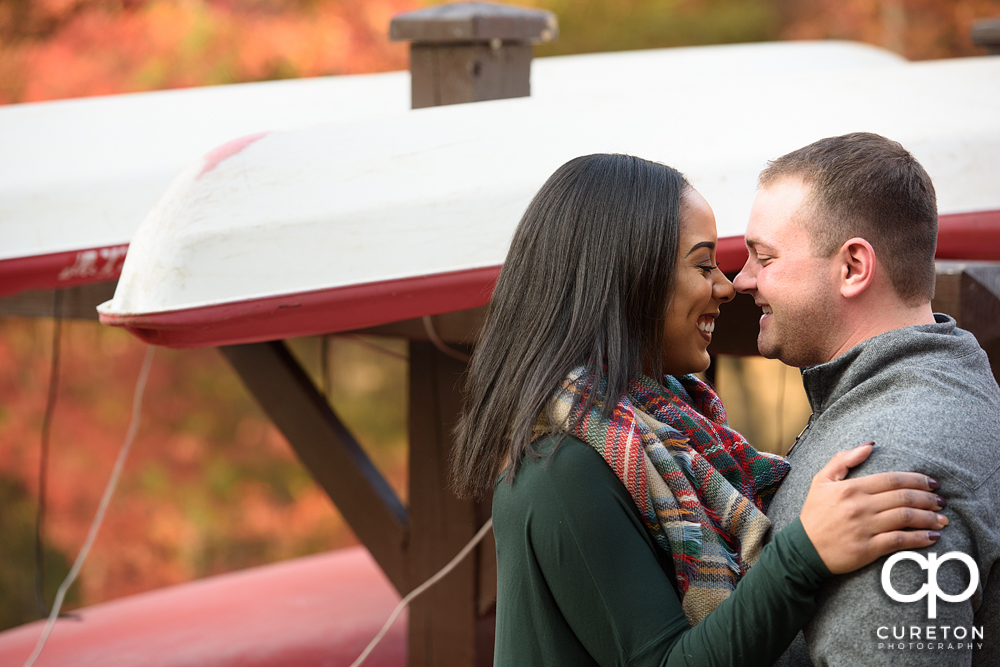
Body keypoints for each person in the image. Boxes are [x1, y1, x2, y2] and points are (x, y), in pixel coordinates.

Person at [451, 153, 949, 666]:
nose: (728, 286)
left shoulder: (671, 431)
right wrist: (804, 554)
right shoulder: (565, 467)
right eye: (703, 264)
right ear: (628, 278)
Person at [734, 132, 1000, 666]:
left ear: (853, 267)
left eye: (764, 258)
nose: (743, 281)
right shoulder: (923, 389)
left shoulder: (890, 467)